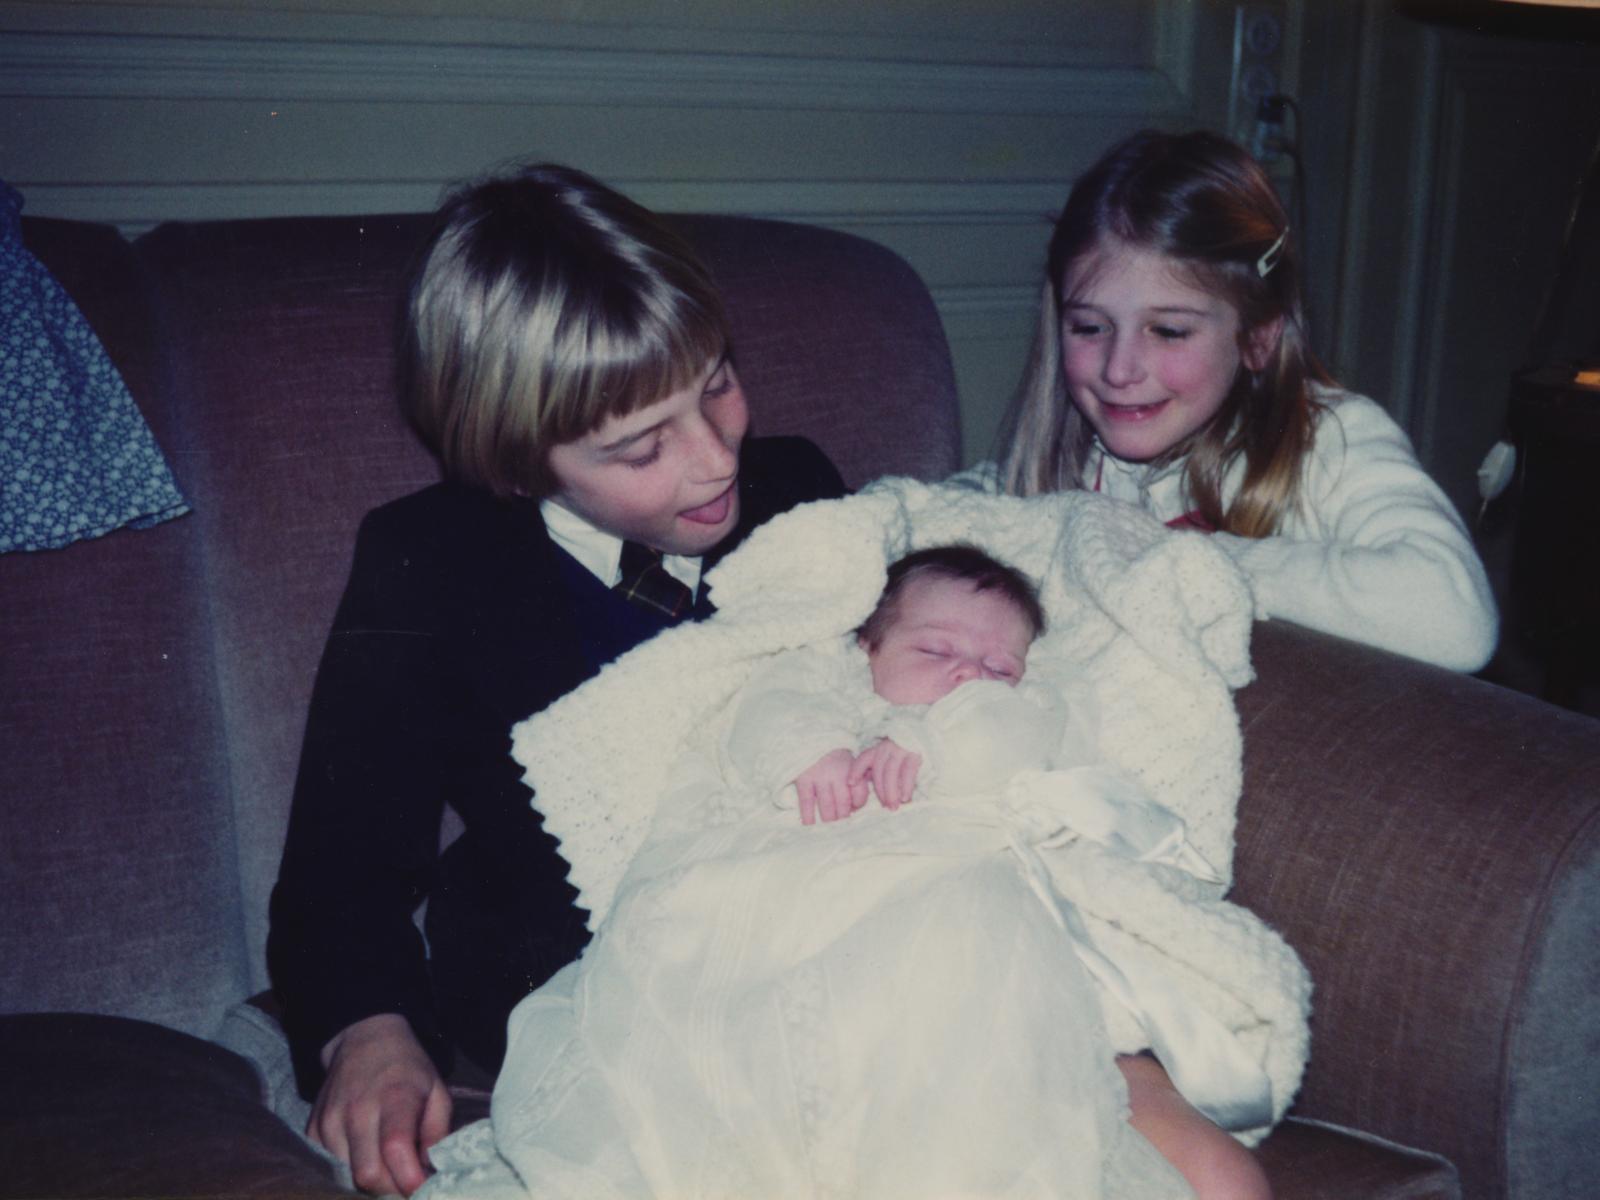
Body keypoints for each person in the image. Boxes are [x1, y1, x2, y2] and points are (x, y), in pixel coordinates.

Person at [265, 163, 845, 1197]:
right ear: (522, 463)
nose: (715, 462)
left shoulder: (799, 488)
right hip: (577, 965)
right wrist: (369, 1028)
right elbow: (343, 859)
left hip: (809, 924)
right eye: (639, 447)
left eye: (716, 384)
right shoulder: (428, 562)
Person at [416, 545, 1287, 1199]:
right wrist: (816, 750)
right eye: (936, 650)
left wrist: (928, 735)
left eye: (997, 666)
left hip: (930, 891)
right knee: (707, 996)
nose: (968, 676)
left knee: (961, 942)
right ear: (868, 645)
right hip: (766, 891)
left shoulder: (1015, 711)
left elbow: (1014, 739)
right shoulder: (818, 682)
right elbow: (759, 718)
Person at [993, 128, 1497, 679]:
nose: (1119, 369)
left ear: (1258, 337)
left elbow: (1457, 620)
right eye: (1089, 327)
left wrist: (1177, 560)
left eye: (1168, 331)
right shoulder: (1069, 458)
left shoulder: (1329, 439)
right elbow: (968, 516)